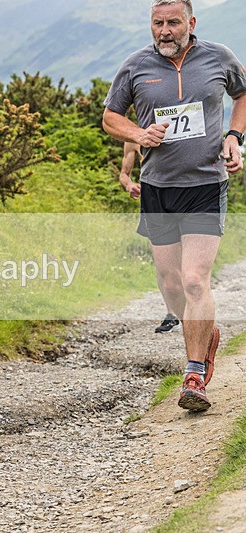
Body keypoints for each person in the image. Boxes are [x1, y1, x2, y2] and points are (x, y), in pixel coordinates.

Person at [103, 0, 246, 411]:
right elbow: (111, 118)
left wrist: (235, 137)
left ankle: (195, 372)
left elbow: (243, 94)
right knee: (171, 286)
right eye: (157, 23)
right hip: (157, 187)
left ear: (191, 23)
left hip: (204, 183)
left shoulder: (219, 57)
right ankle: (206, 333)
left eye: (173, 23)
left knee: (196, 279)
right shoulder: (135, 66)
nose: (165, 31)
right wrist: (140, 133)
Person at [119, 141, 181, 334]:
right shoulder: (133, 137)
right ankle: (171, 313)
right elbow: (124, 174)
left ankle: (195, 306)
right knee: (162, 259)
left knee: (188, 258)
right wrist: (129, 185)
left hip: (186, 193)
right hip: (153, 197)